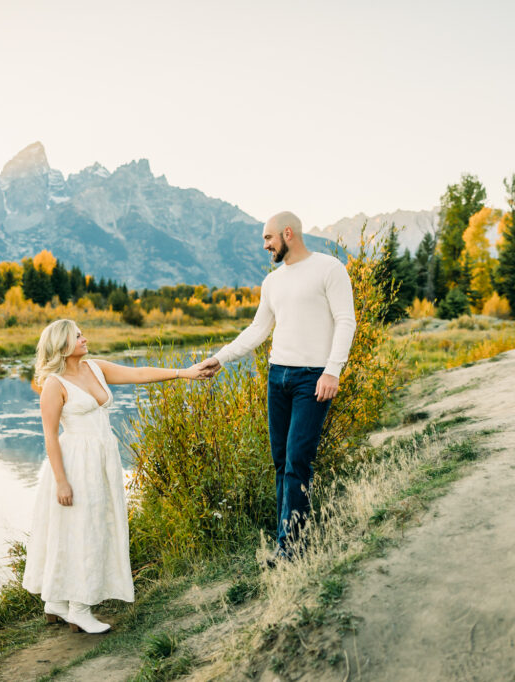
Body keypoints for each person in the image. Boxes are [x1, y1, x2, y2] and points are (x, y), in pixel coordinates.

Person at [22, 319, 209, 633]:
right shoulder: (54, 384)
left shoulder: (95, 368)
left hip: (103, 459)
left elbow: (138, 375)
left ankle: (57, 603)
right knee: (81, 529)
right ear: (63, 345)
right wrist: (61, 481)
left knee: (97, 525)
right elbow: (51, 437)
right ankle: (78, 609)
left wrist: (183, 373)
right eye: (77, 336)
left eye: (82, 333)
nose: (84, 338)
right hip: (75, 463)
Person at [197, 211, 356, 560]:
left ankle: (292, 549)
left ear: (288, 234)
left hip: (312, 378)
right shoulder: (273, 282)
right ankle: (287, 539)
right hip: (277, 377)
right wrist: (221, 358)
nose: (265, 245)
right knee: (281, 462)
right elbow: (257, 330)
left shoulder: (329, 269)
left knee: (298, 460)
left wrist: (333, 371)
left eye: (268, 238)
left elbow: (346, 321)